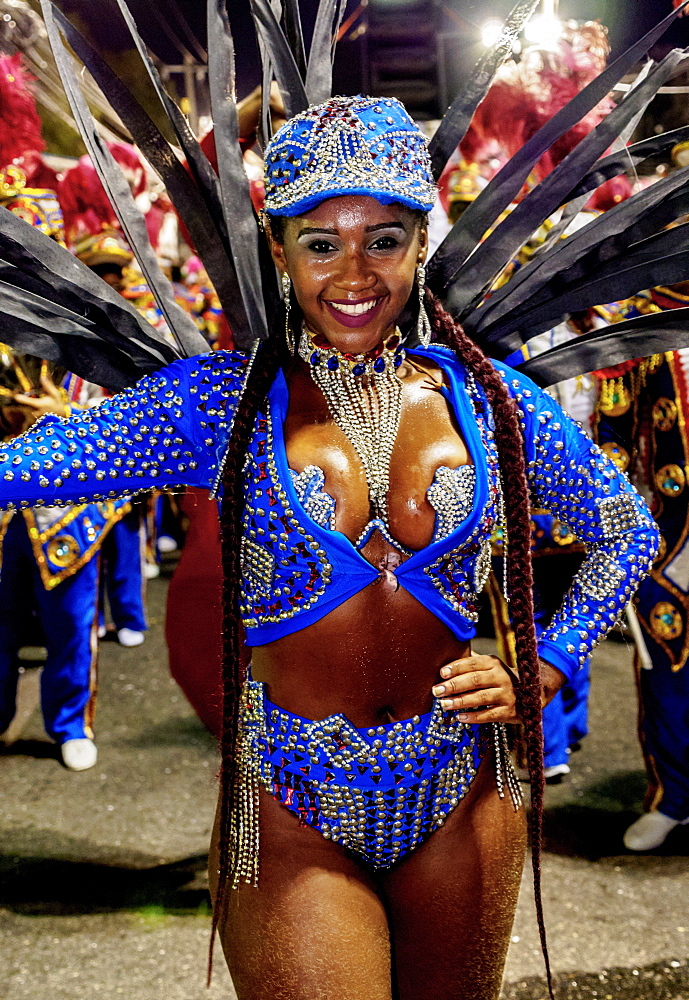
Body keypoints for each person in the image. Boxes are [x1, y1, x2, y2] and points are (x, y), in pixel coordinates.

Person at [0, 95, 660, 999]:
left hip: (463, 793)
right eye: (320, 243)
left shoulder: (492, 401)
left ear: (420, 244)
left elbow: (626, 526)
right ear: (279, 253)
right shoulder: (216, 404)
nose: (355, 272)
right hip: (290, 803)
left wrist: (545, 662)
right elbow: (21, 468)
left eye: (383, 239)